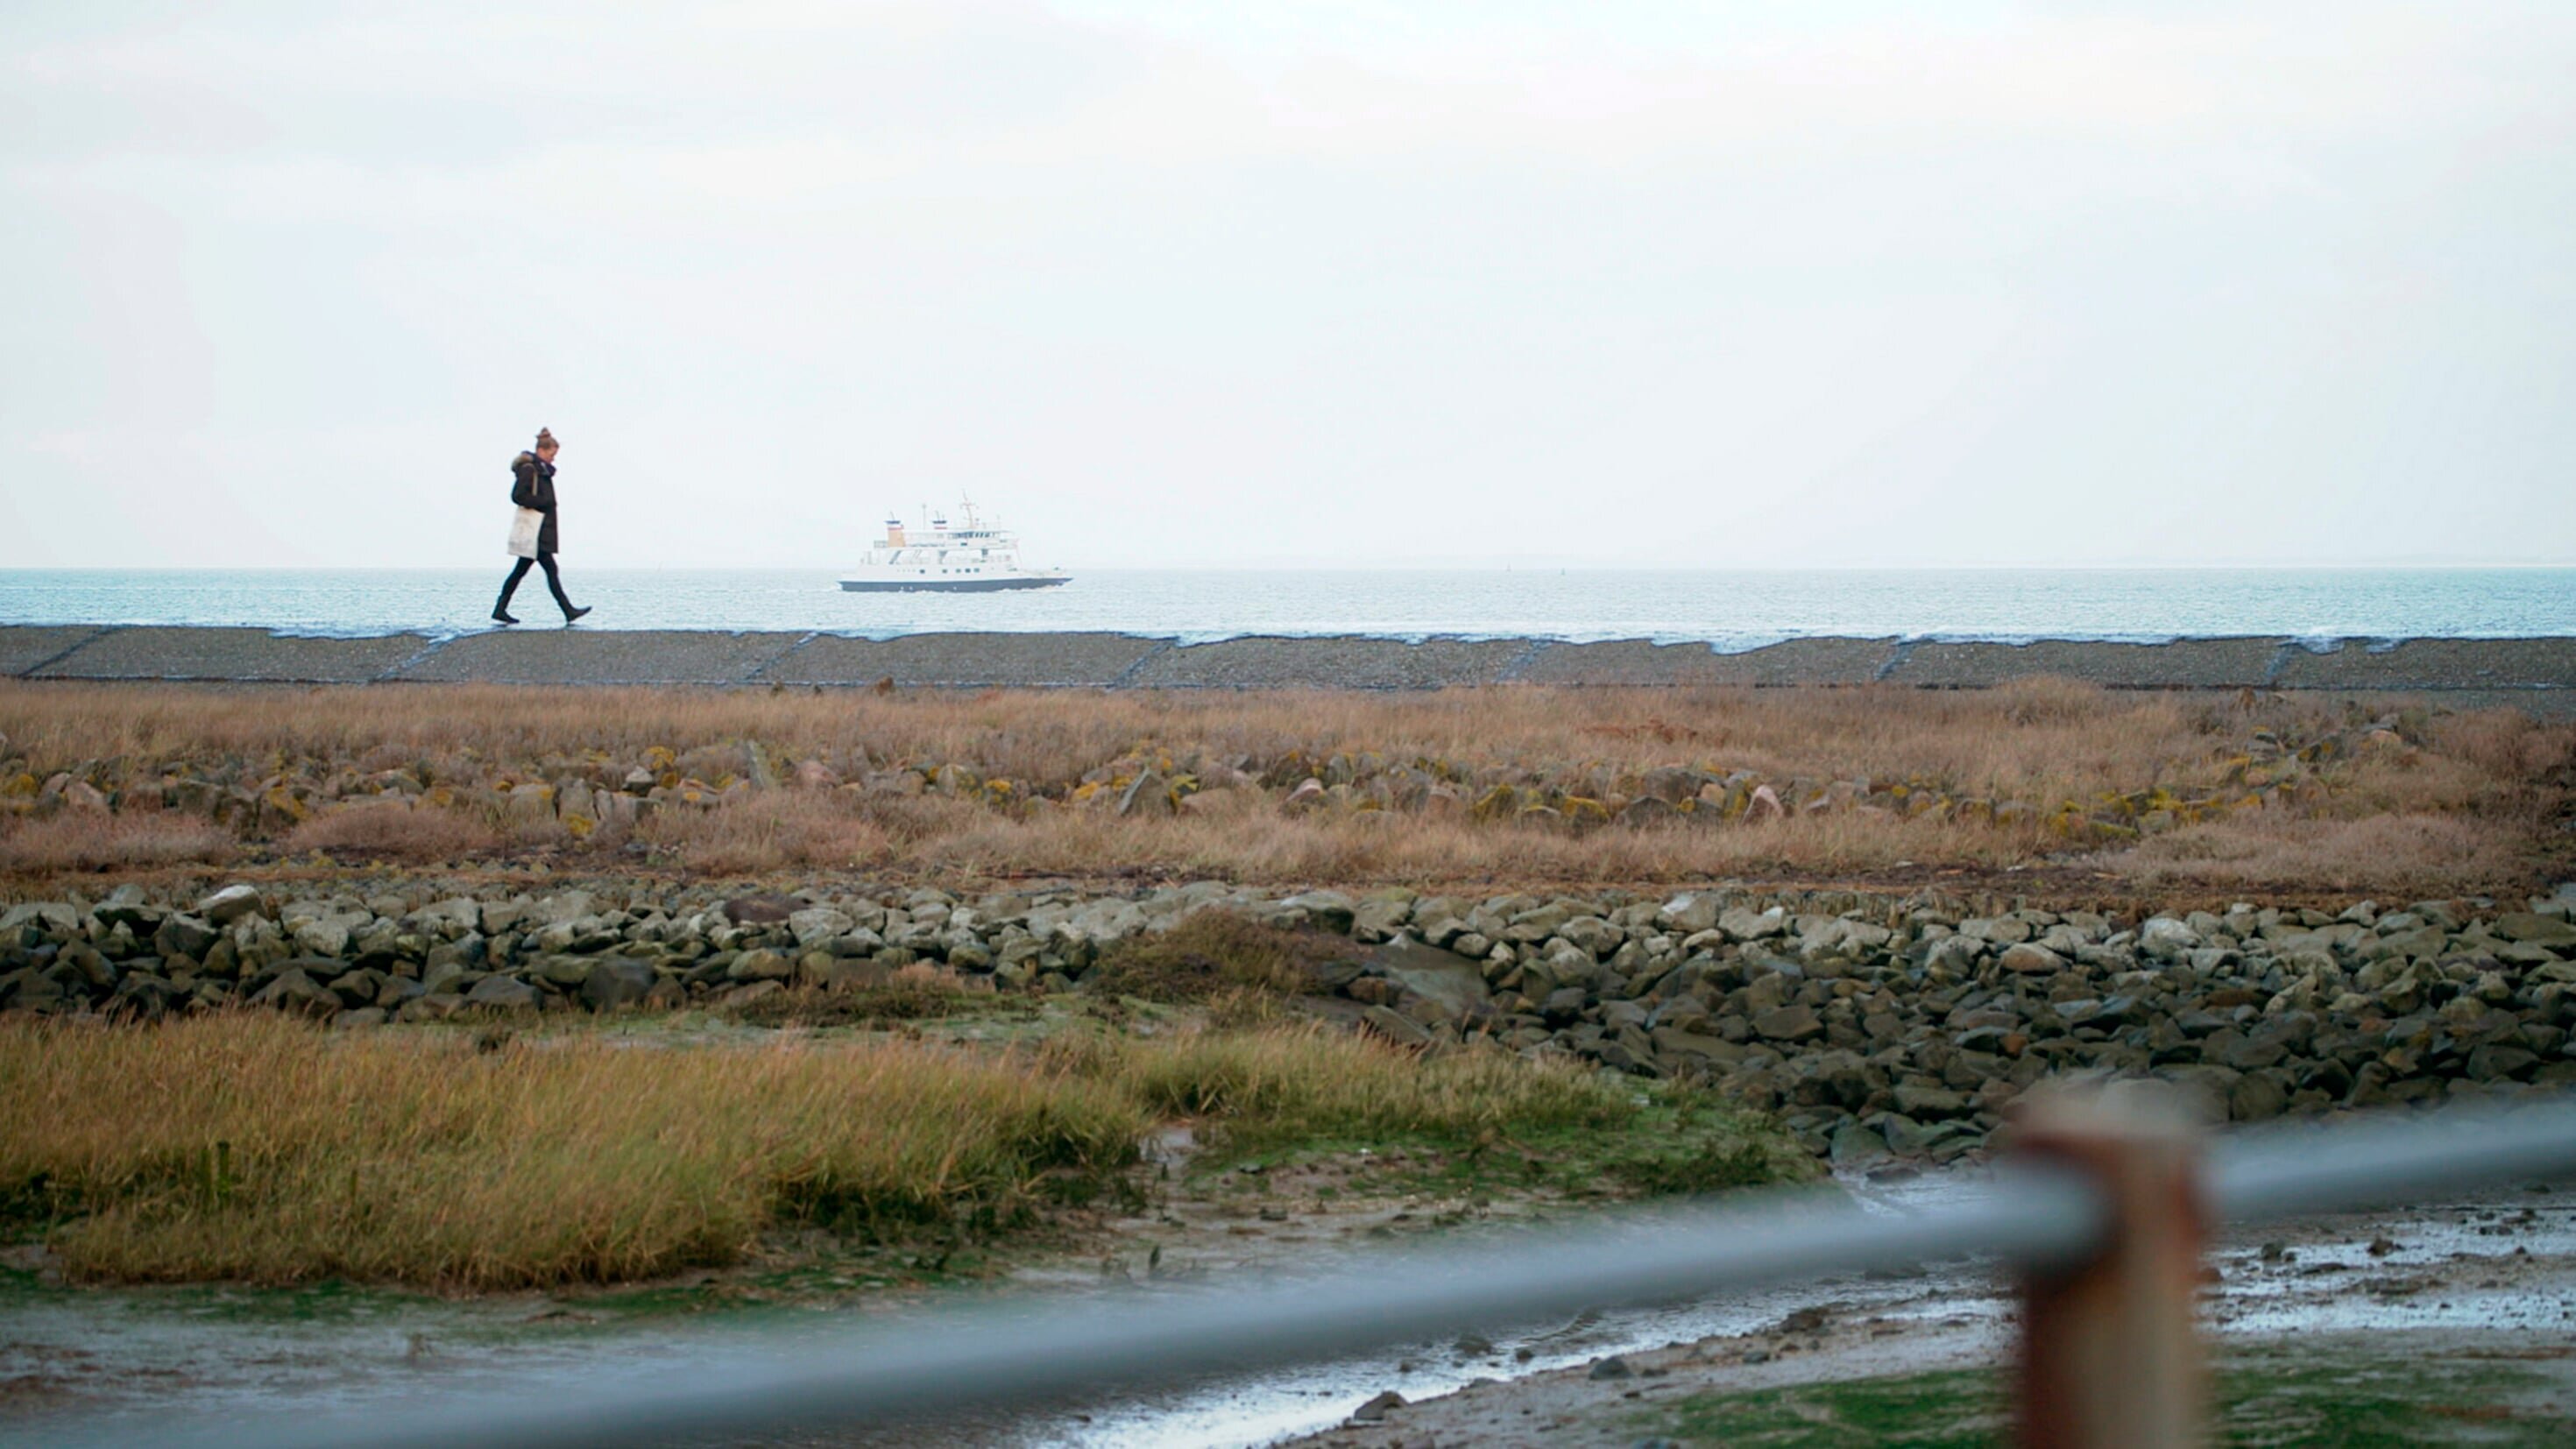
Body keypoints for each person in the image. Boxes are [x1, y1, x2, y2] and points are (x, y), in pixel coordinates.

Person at [493, 427, 591, 625]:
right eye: (552, 455)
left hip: (541, 529)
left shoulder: (540, 470)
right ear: (542, 451)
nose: (553, 459)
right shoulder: (530, 470)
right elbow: (518, 496)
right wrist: (543, 502)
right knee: (548, 570)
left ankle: (500, 608)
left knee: (522, 571)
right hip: (536, 529)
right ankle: (568, 610)